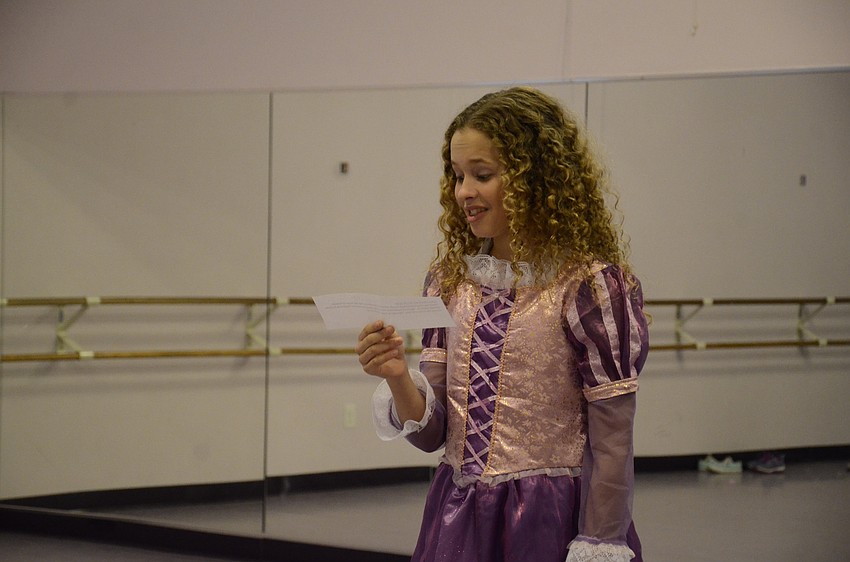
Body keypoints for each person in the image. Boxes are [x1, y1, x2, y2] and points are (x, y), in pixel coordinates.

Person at [355, 87, 648, 562]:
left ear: (536, 177)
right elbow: (433, 436)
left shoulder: (589, 287)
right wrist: (396, 375)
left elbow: (612, 441)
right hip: (459, 520)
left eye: (482, 175)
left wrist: (599, 542)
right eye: (458, 176)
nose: (463, 192)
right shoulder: (450, 283)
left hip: (547, 522)